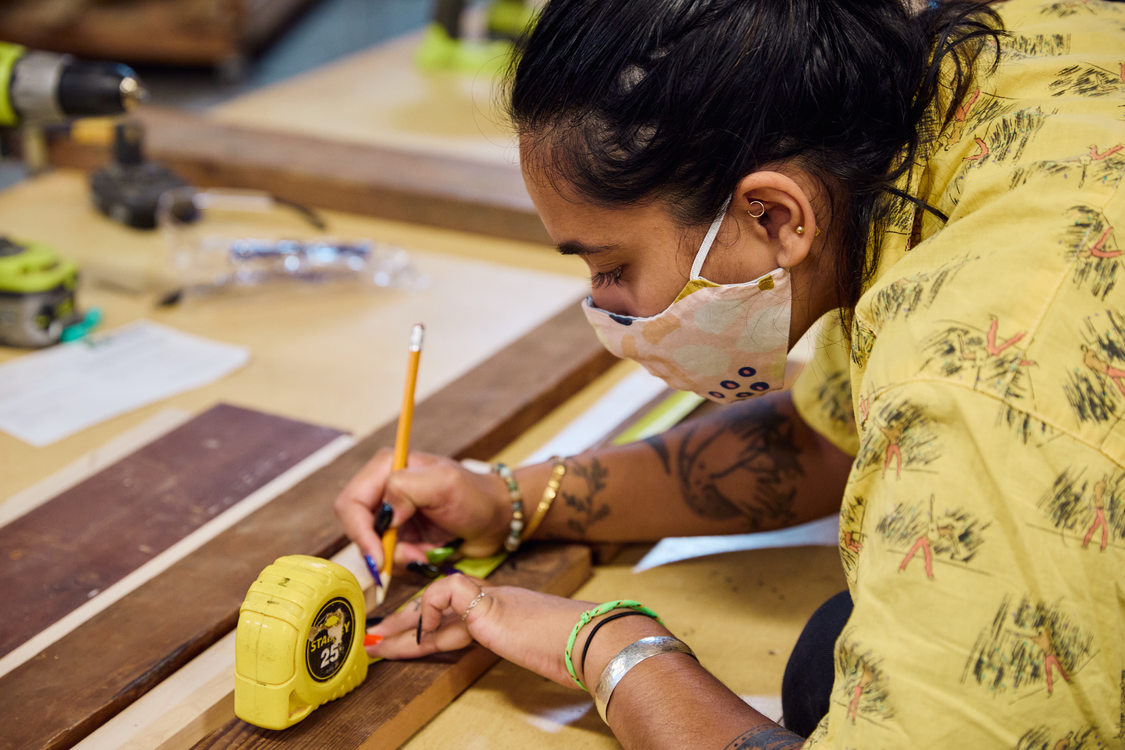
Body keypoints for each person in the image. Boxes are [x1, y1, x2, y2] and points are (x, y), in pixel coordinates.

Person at [335, 0, 1125, 746]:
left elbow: (965, 421)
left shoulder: (987, 375)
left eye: (611, 266)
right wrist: (511, 498)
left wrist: (608, 644)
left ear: (774, 217)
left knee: (830, 678)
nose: (605, 305)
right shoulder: (973, 68)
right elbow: (827, 442)